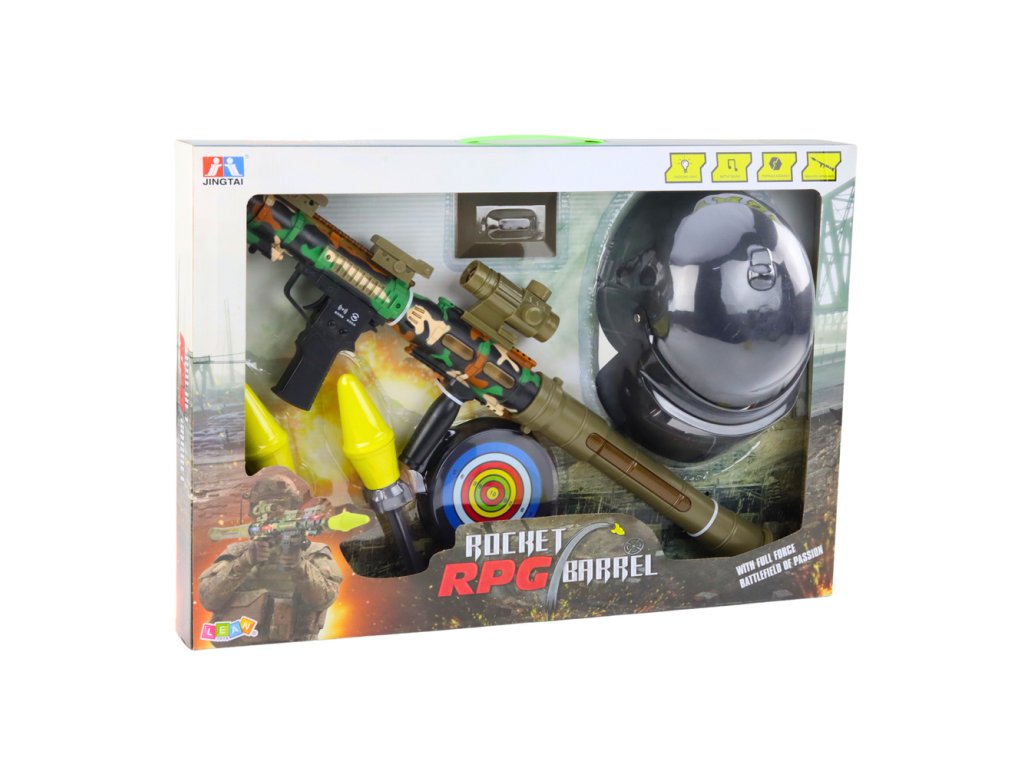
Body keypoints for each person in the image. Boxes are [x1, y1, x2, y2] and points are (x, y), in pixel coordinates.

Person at [199, 476, 342, 645]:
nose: (273, 514)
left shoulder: (312, 553)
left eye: (282, 506)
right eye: (264, 507)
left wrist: (299, 566)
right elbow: (208, 599)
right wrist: (245, 562)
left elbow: (324, 599)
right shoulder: (238, 552)